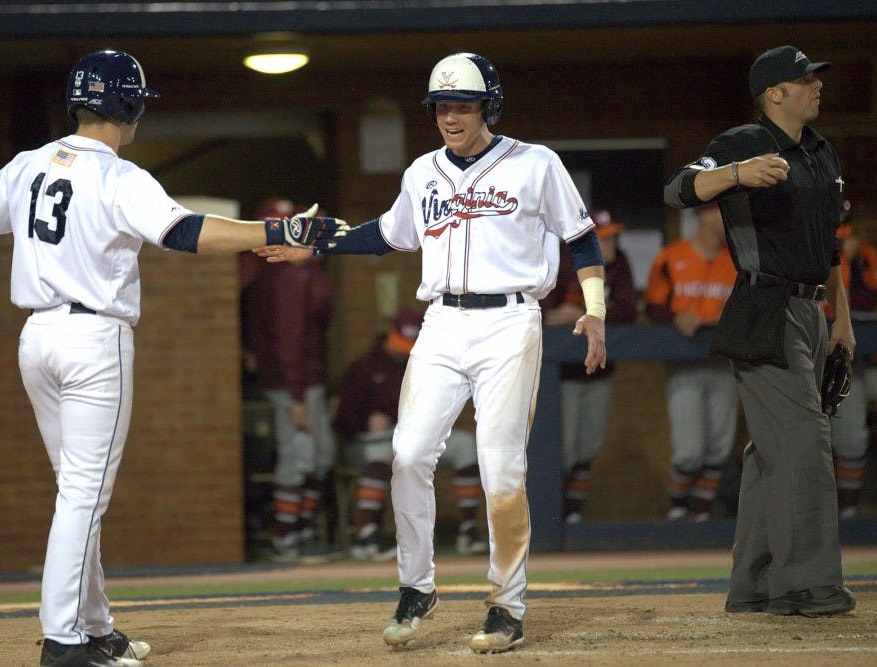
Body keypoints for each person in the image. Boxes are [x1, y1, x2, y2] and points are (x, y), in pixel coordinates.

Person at [0, 50, 342, 667]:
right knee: (82, 493)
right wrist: (276, 232)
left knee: (78, 490)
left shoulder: (29, 164)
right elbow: (185, 233)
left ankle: (94, 626)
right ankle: (66, 640)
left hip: (37, 340)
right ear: (127, 106)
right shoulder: (119, 176)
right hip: (93, 342)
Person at [256, 52, 607, 654]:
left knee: (503, 469)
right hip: (441, 321)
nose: (451, 117)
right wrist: (312, 246)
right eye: (442, 106)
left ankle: (506, 605)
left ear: (487, 108)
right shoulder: (422, 173)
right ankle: (416, 587)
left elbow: (581, 237)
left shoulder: (534, 163)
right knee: (408, 454)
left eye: (463, 106)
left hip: (511, 320)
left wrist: (595, 309)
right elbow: (383, 235)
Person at [664, 45, 856, 617]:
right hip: (765, 305)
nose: (816, 85)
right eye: (805, 79)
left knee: (774, 452)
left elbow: (830, 247)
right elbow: (678, 188)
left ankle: (755, 582)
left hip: (813, 312)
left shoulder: (821, 152)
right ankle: (805, 584)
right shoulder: (744, 142)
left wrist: (841, 318)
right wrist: (737, 175)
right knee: (802, 444)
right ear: (775, 94)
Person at [334, 307, 488, 561]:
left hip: (415, 436)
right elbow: (342, 422)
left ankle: (468, 532)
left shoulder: (425, 364)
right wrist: (366, 421)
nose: (402, 350)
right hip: (368, 442)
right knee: (383, 456)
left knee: (465, 445)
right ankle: (366, 536)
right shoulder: (363, 367)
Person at [241, 197, 339, 564]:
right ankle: (286, 537)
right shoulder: (284, 273)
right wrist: (297, 394)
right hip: (289, 381)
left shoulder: (304, 270)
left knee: (320, 455)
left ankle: (302, 529)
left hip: (302, 377)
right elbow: (287, 337)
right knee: (299, 456)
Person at [539, 209, 636, 524]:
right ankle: (553, 514)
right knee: (563, 450)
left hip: (600, 370)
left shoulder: (620, 265)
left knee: (587, 447)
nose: (610, 245)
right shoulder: (564, 264)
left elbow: (627, 310)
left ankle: (573, 514)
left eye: (612, 237)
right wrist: (562, 315)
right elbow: (543, 312)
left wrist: (580, 310)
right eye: (604, 238)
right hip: (562, 376)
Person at [644, 202, 739, 522]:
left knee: (719, 451)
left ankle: (700, 516)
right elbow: (654, 308)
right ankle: (678, 512)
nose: (724, 219)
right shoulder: (672, 257)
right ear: (703, 215)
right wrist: (676, 318)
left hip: (724, 362)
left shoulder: (737, 262)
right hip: (685, 363)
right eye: (719, 212)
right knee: (689, 452)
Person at [825, 202, 877, 518]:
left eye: (845, 219)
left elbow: (867, 300)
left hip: (847, 353)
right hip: (810, 346)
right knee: (807, 437)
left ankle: (847, 512)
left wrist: (853, 260)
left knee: (851, 437)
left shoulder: (864, 255)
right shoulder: (809, 247)